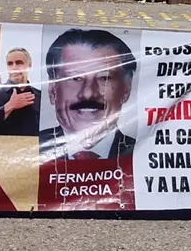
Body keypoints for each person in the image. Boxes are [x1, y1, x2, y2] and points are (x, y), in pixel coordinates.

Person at [38, 28, 137, 160]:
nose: (88, 93)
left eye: (104, 78)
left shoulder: (143, 152)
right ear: (52, 90)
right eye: (75, 78)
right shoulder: (27, 150)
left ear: (126, 89)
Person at [0, 47, 42, 136]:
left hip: (33, 149)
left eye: (19, 63)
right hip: (2, 149)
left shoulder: (40, 96)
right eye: (10, 64)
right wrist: (9, 106)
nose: (14, 67)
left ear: (29, 66)